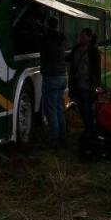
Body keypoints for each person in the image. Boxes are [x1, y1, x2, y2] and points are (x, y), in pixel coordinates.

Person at [40, 16, 67, 148]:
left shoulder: (46, 38)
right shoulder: (62, 38)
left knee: (51, 110)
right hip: (62, 76)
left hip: (51, 77)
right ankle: (63, 136)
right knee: (59, 108)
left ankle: (54, 140)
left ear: (47, 25)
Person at [69, 28, 101, 135]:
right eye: (80, 36)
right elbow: (70, 60)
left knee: (87, 107)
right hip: (76, 83)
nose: (80, 38)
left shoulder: (93, 51)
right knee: (81, 107)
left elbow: (97, 70)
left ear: (89, 38)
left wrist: (96, 84)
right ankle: (88, 126)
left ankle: (89, 129)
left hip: (87, 85)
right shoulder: (76, 49)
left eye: (83, 36)